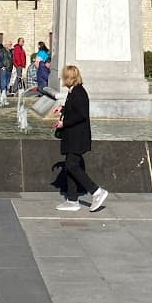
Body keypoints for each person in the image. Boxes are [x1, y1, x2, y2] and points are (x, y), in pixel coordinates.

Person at [53, 66, 108, 214]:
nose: (62, 79)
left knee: (71, 165)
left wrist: (64, 123)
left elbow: (81, 115)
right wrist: (63, 109)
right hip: (73, 136)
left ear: (69, 78)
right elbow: (75, 110)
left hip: (77, 137)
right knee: (70, 165)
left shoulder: (78, 92)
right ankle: (72, 200)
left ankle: (96, 191)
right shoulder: (75, 91)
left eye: (64, 76)